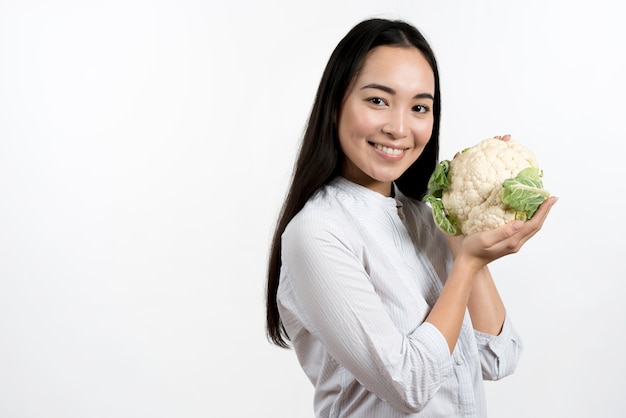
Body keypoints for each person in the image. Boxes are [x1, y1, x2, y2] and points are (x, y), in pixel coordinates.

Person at [265, 17, 556, 418]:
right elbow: (409, 385)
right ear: (335, 106)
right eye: (378, 100)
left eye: (419, 107)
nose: (399, 128)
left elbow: (497, 356)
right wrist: (466, 265)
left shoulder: (423, 216)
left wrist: (465, 223)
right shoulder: (318, 233)